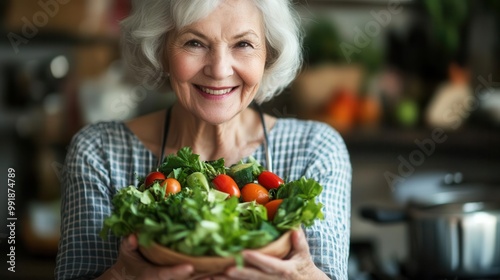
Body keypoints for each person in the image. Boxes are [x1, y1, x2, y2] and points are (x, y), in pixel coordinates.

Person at [55, 0, 352, 279]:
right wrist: (121, 276)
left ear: (268, 55)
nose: (219, 69)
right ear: (160, 49)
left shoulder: (316, 149)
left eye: (243, 44)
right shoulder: (99, 151)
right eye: (194, 42)